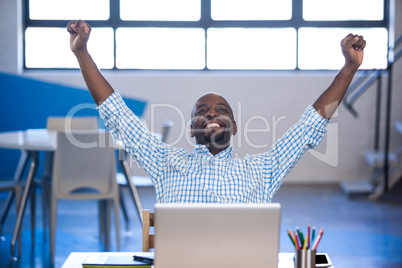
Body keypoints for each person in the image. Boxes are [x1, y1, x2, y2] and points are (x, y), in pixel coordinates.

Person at [67, 20, 366, 203]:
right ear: (191, 128)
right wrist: (82, 52)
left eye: (221, 110)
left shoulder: (263, 169)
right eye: (202, 111)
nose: (211, 114)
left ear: (234, 127)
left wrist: (349, 67)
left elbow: (311, 123)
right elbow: (117, 113)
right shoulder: (163, 161)